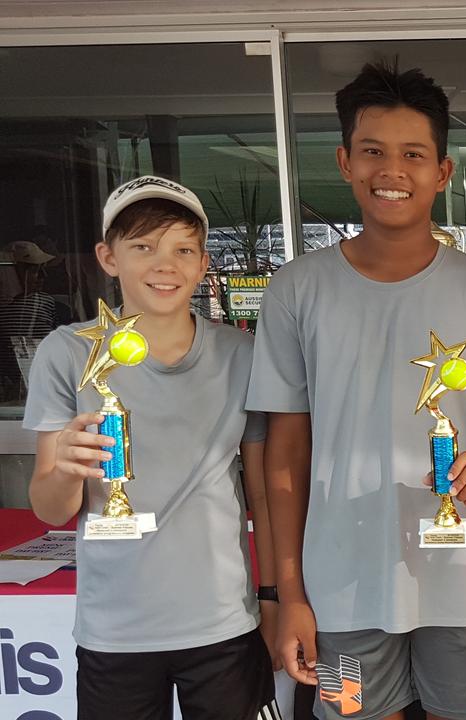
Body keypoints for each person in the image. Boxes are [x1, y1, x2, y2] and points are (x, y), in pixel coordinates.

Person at [248, 60, 466, 720]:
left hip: (465, 580)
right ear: (345, 161)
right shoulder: (297, 291)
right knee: (349, 714)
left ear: (443, 171)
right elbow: (283, 456)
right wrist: (288, 591)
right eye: (374, 152)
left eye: (413, 154)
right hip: (340, 592)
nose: (393, 171)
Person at [24, 175, 279, 720]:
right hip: (114, 631)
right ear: (107, 257)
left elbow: (260, 491)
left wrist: (274, 593)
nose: (165, 265)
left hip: (222, 625)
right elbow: (50, 509)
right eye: (142, 246)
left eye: (183, 249)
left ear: (203, 263)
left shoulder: (244, 354)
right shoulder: (65, 353)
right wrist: (67, 469)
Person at [0, 240, 72, 401]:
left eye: (42, 270)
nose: (42, 276)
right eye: (33, 270)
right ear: (12, 272)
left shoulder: (48, 304)